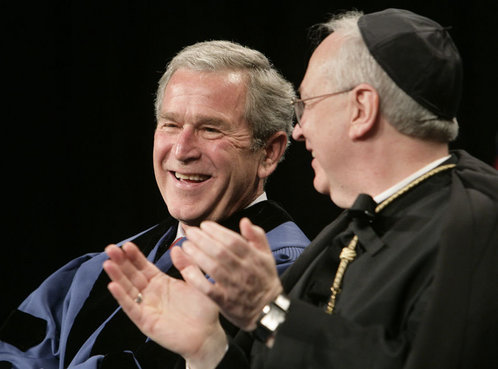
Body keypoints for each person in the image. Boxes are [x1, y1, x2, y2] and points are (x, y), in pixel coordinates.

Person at [98, 8, 498, 369]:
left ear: (361, 110)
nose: (300, 131)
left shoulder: (478, 228)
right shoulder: (349, 229)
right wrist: (208, 351)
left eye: (307, 105)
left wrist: (270, 311)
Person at [0, 40, 311, 368]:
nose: (182, 150)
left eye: (210, 129)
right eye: (170, 124)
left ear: (269, 152)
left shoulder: (283, 277)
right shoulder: (95, 272)